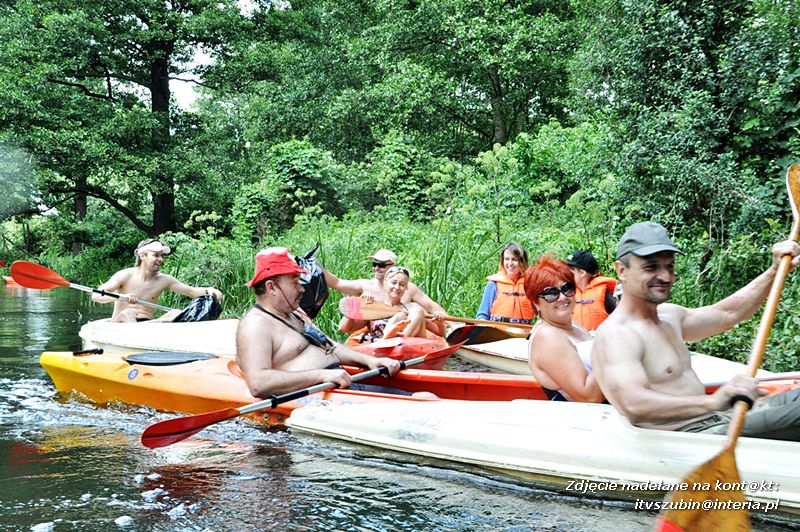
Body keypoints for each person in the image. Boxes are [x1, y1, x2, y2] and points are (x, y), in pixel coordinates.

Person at [592, 221, 800, 440]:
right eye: (651, 267)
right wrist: (713, 401)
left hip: (720, 417)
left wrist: (774, 271)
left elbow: (727, 314)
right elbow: (633, 404)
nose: (665, 277)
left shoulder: (669, 316)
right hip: (692, 435)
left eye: (669, 266)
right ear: (621, 270)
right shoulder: (617, 335)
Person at [236, 247, 417, 398]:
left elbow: (331, 346)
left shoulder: (296, 313)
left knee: (423, 396)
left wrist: (370, 361)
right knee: (421, 400)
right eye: (295, 282)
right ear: (271, 287)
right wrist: (322, 375)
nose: (302, 289)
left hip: (340, 385)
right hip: (319, 397)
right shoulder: (256, 325)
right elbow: (258, 384)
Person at [523, 254, 604, 403]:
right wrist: (612, 349)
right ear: (536, 303)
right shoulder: (547, 337)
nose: (562, 297)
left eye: (567, 288)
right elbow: (589, 396)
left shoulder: (575, 327)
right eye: (551, 293)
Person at [92, 238, 224, 323]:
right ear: (142, 256)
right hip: (120, 323)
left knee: (176, 313)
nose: (160, 259)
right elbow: (96, 295)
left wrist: (210, 291)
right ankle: (137, 337)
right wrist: (122, 297)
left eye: (161, 256)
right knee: (128, 313)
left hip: (147, 325)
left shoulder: (164, 280)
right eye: (156, 255)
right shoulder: (125, 275)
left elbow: (191, 291)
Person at [323, 248, 447, 317]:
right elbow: (336, 283)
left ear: (393, 266)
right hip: (375, 334)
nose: (377, 268)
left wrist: (453, 327)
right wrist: (316, 265)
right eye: (375, 264)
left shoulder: (409, 288)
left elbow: (431, 306)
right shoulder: (365, 285)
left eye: (381, 265)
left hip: (403, 335)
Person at [339, 266, 446, 341]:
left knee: (414, 311)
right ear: (385, 283)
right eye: (394, 283)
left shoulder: (413, 308)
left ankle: (394, 339)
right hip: (383, 349)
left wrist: (440, 323)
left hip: (409, 347)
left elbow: (440, 333)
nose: (397, 287)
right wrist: (358, 303)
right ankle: (389, 338)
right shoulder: (374, 308)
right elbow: (344, 328)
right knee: (400, 316)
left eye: (402, 284)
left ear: (406, 288)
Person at [476, 242, 535, 324]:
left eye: (514, 260)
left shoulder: (530, 284)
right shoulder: (493, 284)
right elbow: (482, 315)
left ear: (522, 262)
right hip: (498, 329)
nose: (510, 263)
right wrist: (482, 324)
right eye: (507, 259)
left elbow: (542, 312)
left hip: (524, 329)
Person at [565, 250, 617, 331]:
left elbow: (620, 319)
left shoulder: (604, 294)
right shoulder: (567, 293)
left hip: (599, 338)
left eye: (570, 270)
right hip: (575, 338)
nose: (565, 273)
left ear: (582, 273)